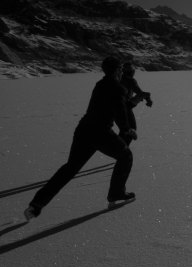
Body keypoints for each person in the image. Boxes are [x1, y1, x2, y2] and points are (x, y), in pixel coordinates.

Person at [24, 56, 136, 220]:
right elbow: (120, 111)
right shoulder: (117, 88)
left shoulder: (100, 84)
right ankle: (116, 193)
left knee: (70, 168)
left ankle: (36, 205)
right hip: (101, 132)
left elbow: (114, 107)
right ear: (117, 70)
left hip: (84, 130)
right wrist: (127, 130)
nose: (122, 72)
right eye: (120, 69)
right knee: (126, 156)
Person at [119, 61, 152, 145]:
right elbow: (140, 93)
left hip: (118, 107)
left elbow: (139, 93)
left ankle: (120, 147)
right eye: (131, 70)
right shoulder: (130, 81)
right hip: (126, 106)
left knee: (125, 129)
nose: (132, 72)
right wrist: (148, 99)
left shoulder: (119, 79)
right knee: (131, 128)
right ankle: (122, 149)